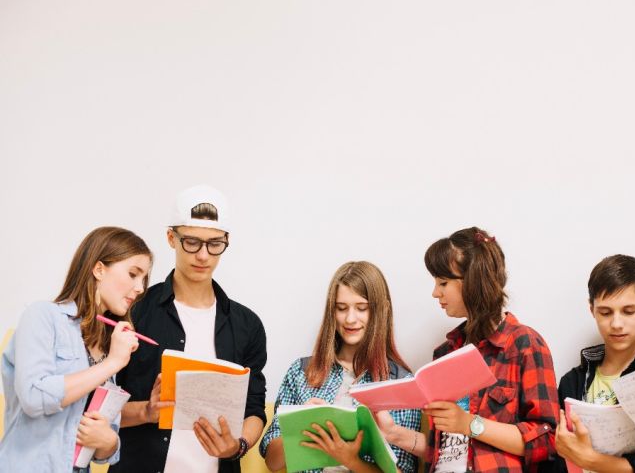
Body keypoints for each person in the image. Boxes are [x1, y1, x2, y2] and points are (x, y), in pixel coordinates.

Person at [111, 185, 267, 473]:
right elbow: (98, 406)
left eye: (214, 244)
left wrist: (238, 446)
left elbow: (254, 407)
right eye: (192, 242)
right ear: (171, 238)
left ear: (226, 241)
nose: (203, 255)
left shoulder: (247, 325)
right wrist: (147, 411)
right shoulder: (133, 311)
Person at [380, 227, 559, 472]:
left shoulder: (524, 344)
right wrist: (392, 433)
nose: (435, 293)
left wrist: (470, 424)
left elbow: (547, 441)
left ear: (474, 280)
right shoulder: (445, 353)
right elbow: (443, 451)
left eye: (443, 282)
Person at [0, 227, 151, 472]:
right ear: (99, 269)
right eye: (133, 274)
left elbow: (104, 450)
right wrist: (112, 363)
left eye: (144, 279)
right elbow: (33, 397)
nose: (140, 287)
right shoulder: (42, 316)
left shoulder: (108, 344)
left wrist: (108, 442)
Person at [259, 261, 420, 473]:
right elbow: (273, 462)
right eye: (341, 308)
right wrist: (301, 426)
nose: (350, 319)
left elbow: (402, 470)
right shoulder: (301, 372)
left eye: (362, 308)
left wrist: (351, 460)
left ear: (382, 310)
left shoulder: (401, 384)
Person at [546, 254, 635, 473]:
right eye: (605, 312)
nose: (616, 324)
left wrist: (592, 460)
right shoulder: (572, 382)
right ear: (592, 309)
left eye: (628, 311)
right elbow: (559, 458)